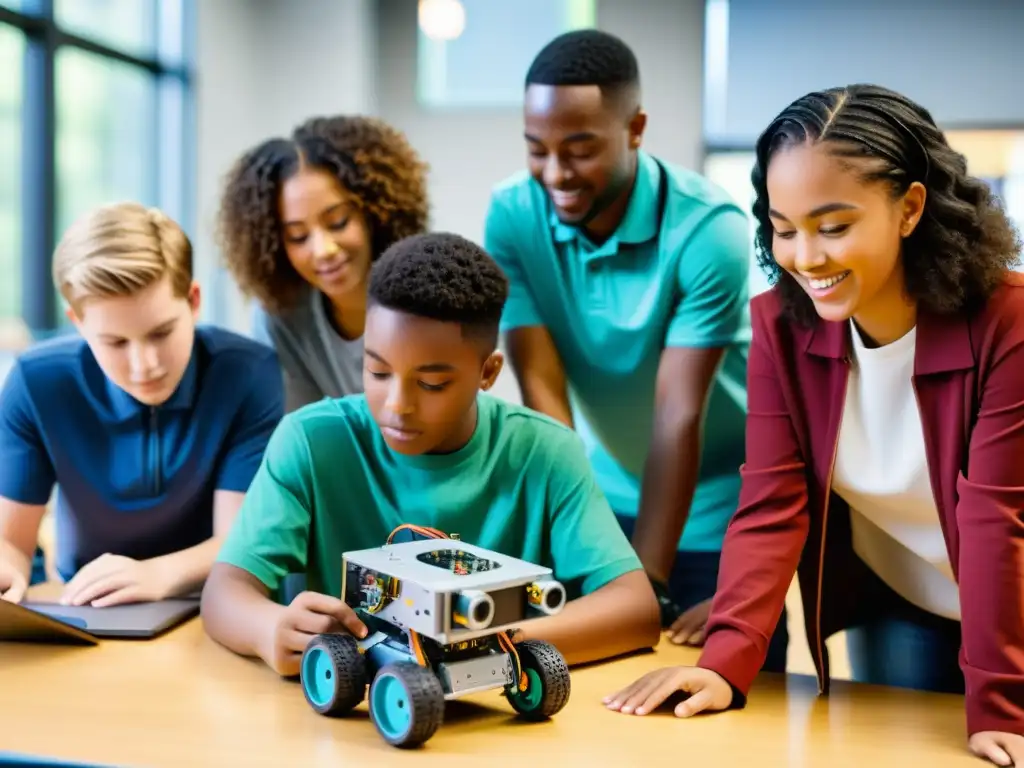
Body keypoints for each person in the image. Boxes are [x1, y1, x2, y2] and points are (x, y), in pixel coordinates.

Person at [603, 83, 1024, 766]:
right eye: (783, 227)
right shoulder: (779, 325)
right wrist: (724, 663)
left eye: (833, 226)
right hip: (904, 595)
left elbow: (995, 520)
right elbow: (772, 502)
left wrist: (1002, 701)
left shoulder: (1008, 323)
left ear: (910, 207)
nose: (806, 258)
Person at [200, 231, 661, 676]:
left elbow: (634, 607)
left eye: (432, 383)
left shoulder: (546, 451)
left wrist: (480, 646)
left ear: (488, 372)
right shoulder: (309, 440)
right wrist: (267, 628)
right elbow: (225, 591)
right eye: (377, 371)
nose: (397, 405)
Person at [482, 29, 787, 668]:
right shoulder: (513, 213)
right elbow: (543, 390)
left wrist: (642, 586)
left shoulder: (709, 229)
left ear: (636, 128)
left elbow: (679, 414)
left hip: (720, 515)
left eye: (581, 149)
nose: (555, 174)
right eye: (537, 150)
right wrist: (577, 530)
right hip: (605, 495)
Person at [0, 202, 284, 606]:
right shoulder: (34, 383)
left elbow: (237, 539)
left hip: (210, 606)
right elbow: (10, 543)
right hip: (80, 602)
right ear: (78, 322)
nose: (145, 365)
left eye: (162, 333)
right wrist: (8, 569)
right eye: (115, 342)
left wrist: (160, 574)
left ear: (194, 300)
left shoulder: (249, 374)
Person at [217, 115, 429, 412]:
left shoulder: (428, 299)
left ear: (374, 214)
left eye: (338, 222)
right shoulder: (281, 316)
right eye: (298, 236)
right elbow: (303, 432)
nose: (323, 250)